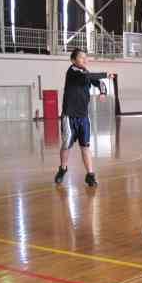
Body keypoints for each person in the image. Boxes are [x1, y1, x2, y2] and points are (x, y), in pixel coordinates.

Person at [54, 48, 110, 187]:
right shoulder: (72, 72)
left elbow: (100, 83)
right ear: (73, 60)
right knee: (67, 145)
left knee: (85, 146)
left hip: (83, 117)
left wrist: (103, 92)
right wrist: (105, 74)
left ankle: (90, 175)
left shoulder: (86, 73)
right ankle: (63, 168)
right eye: (81, 57)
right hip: (69, 116)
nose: (85, 59)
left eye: (86, 57)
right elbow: (87, 78)